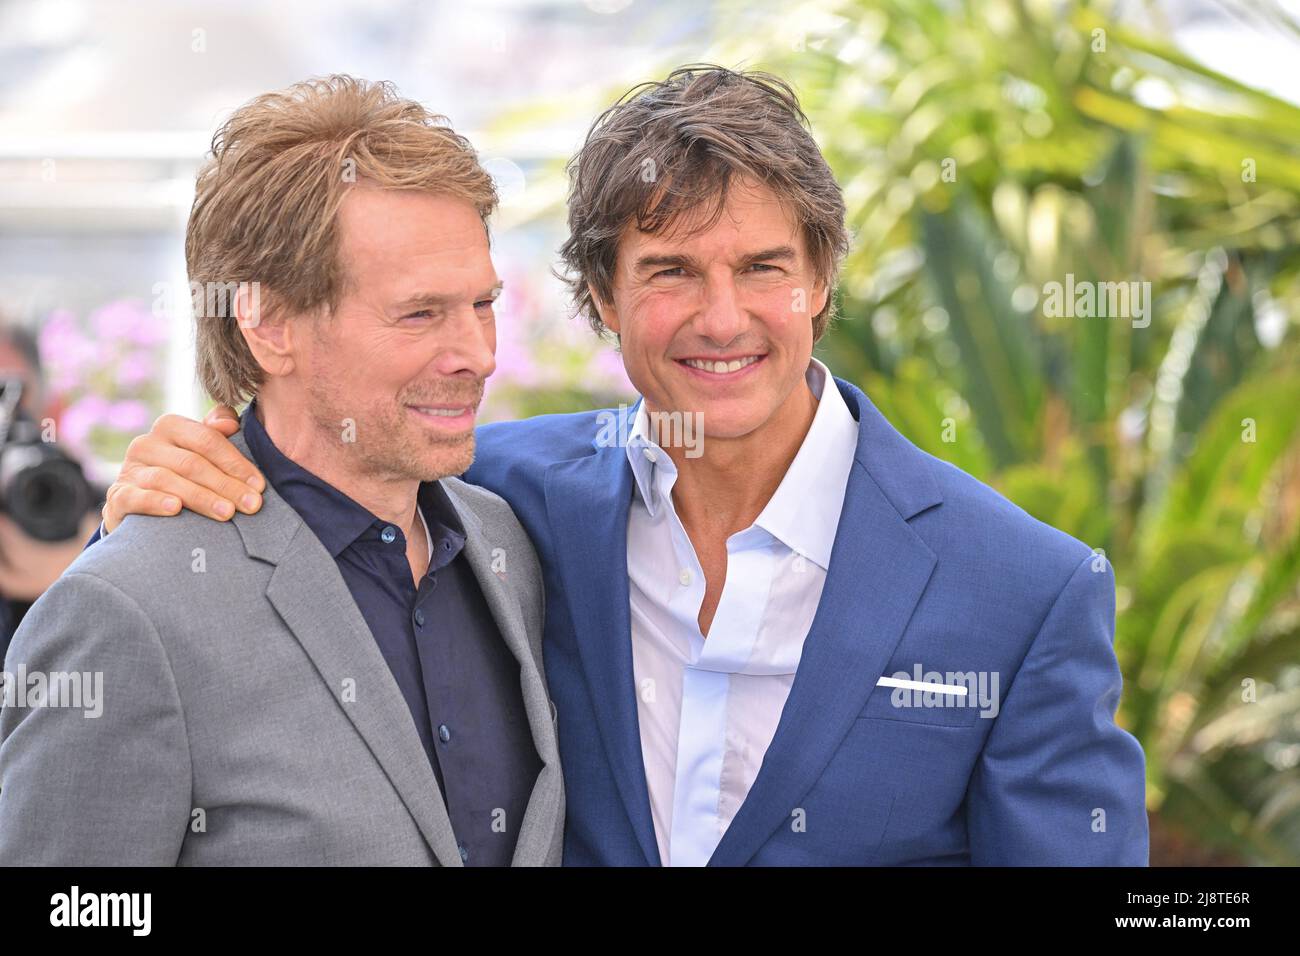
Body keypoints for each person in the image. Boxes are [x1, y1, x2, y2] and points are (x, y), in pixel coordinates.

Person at [89, 66, 1148, 865]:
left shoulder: (1021, 587)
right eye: (670, 272)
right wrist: (160, 490)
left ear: (821, 278)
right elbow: (305, 486)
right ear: (598, 296)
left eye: (764, 267)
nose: (721, 316)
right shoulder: (498, 503)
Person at [0, 76, 562, 866]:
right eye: (421, 313)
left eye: (483, 303)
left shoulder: (509, 545)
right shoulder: (125, 613)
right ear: (267, 326)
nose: (478, 354)